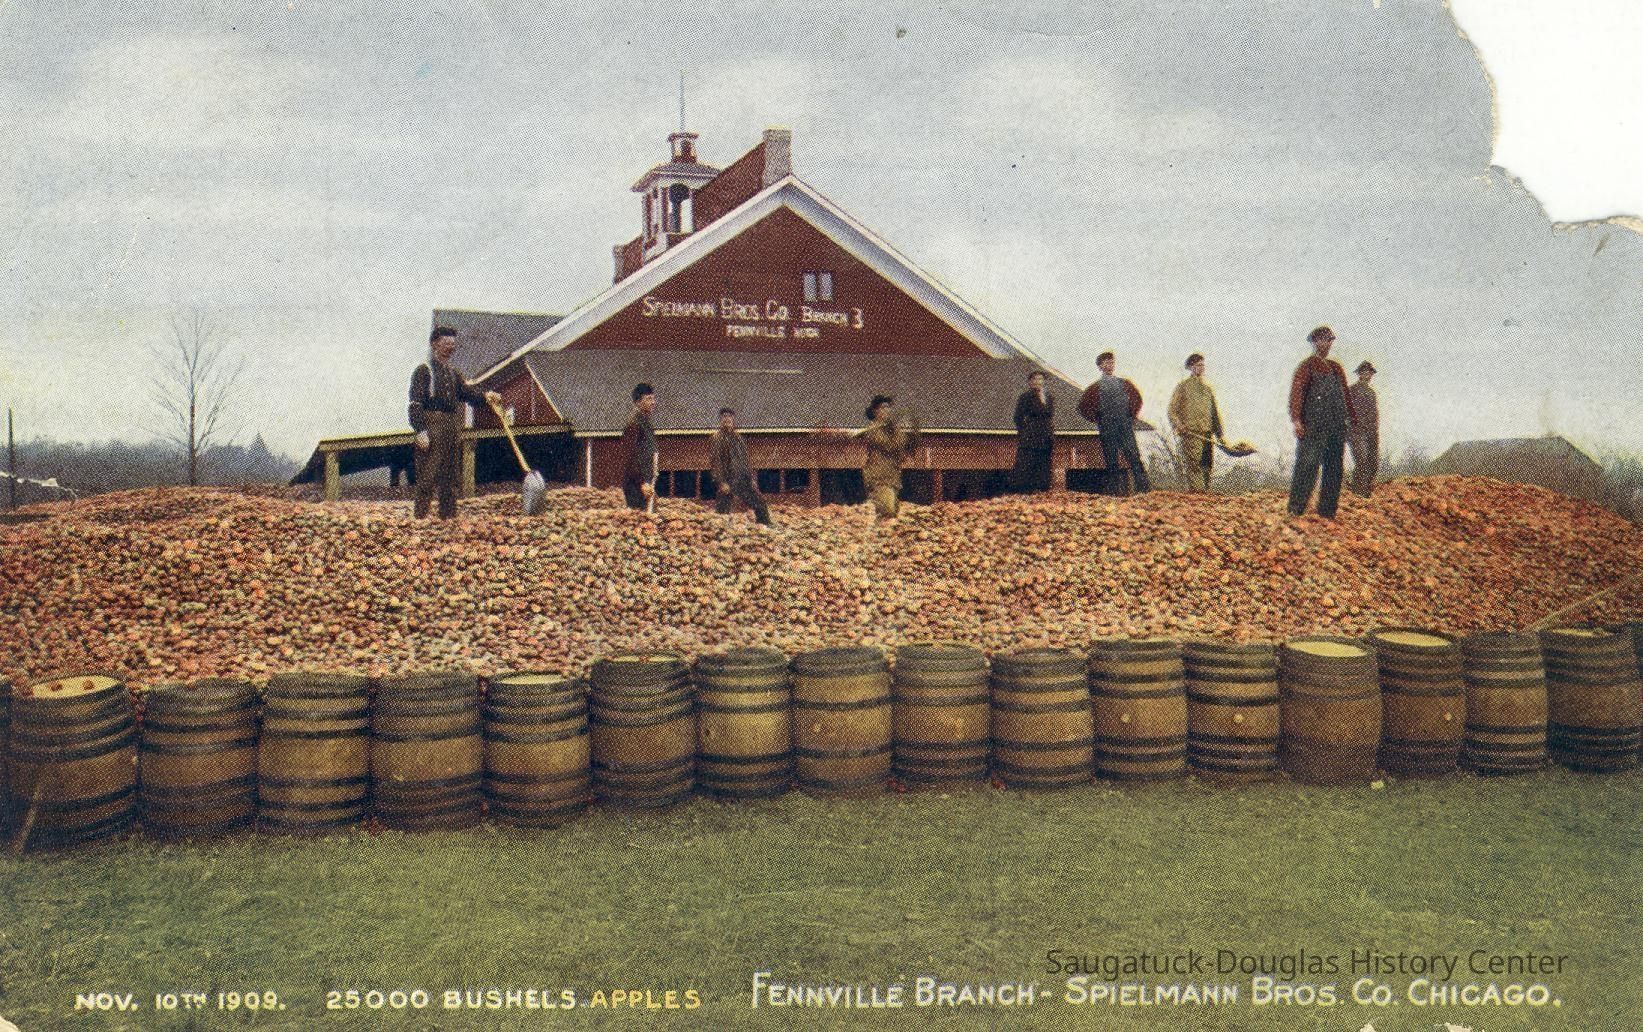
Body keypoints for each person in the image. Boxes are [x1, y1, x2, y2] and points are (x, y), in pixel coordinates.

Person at [408, 326, 501, 519]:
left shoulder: (454, 374)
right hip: (432, 424)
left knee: (450, 476)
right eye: (446, 343)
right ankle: (419, 519)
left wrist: (486, 396)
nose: (450, 347)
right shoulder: (424, 371)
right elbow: (415, 403)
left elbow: (468, 394)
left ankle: (448, 518)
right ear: (434, 344)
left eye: (452, 344)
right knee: (427, 475)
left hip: (452, 425)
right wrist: (420, 430)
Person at [1287, 326, 1357, 519]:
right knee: (1307, 465)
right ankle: (1295, 510)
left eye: (1328, 340)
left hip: (1336, 426)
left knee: (1334, 468)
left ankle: (1327, 512)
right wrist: (1297, 420)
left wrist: (1352, 420)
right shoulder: (1306, 366)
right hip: (1314, 426)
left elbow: (1345, 396)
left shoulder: (1336, 368)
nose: (1325, 344)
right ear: (1314, 342)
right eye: (1321, 340)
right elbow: (1296, 394)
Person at [1077, 351, 1150, 495]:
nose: (1109, 365)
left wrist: (1130, 416)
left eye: (1111, 363)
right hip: (1107, 426)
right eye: (1106, 363)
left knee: (1134, 456)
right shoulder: (1094, 388)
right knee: (1111, 458)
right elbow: (1082, 407)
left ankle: (1143, 490)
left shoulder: (1125, 384)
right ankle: (1114, 492)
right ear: (1100, 367)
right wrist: (1097, 418)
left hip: (1125, 425)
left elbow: (1137, 399)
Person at [1167, 353, 1224, 492]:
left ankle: (1205, 496)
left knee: (1207, 466)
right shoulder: (1183, 387)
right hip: (1191, 434)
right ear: (1191, 367)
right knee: (1195, 466)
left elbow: (1214, 413)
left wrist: (1220, 434)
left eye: (1203, 365)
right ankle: (1198, 495)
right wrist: (1179, 426)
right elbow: (1172, 410)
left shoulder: (1208, 389)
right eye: (1198, 365)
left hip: (1207, 433)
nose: (1202, 368)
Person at [857, 394, 920, 521]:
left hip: (893, 478)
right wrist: (895, 430)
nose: (887, 411)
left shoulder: (891, 429)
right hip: (879, 479)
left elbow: (902, 447)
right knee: (887, 511)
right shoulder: (873, 430)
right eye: (883, 408)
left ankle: (879, 532)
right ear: (875, 411)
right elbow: (890, 446)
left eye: (888, 408)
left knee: (892, 513)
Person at [710, 408, 772, 526]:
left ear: (733, 419)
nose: (727, 419)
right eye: (724, 416)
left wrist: (751, 478)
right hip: (728, 479)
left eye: (729, 416)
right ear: (720, 420)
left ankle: (765, 525)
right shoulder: (717, 438)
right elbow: (716, 462)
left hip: (743, 478)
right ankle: (718, 531)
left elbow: (745, 460)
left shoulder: (738, 438)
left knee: (759, 502)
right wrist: (721, 482)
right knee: (722, 509)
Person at [1010, 370, 1055, 493]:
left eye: (1040, 379)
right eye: (1034, 379)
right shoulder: (1025, 397)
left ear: (1044, 381)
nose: (1037, 382)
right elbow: (1017, 417)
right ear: (1030, 382)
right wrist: (1024, 433)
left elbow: (1050, 416)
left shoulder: (1049, 397)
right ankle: (1024, 490)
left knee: (1044, 461)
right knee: (1027, 461)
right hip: (1031, 434)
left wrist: (1050, 432)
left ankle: (1042, 488)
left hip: (1046, 434)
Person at [620, 383, 658, 511]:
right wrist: (641, 482)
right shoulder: (634, 423)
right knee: (639, 519)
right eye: (649, 399)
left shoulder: (646, 422)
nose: (653, 402)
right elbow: (629, 457)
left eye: (653, 398)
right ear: (638, 402)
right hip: (637, 485)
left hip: (647, 482)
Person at [1347, 360, 1379, 497]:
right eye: (1364, 372)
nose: (1367, 375)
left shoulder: (1372, 393)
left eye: (1369, 373)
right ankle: (1358, 492)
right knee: (1362, 460)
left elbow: (1374, 413)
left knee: (1373, 463)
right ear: (1359, 374)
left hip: (1370, 431)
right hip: (1356, 431)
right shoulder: (1352, 390)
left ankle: (1362, 488)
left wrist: (1375, 430)